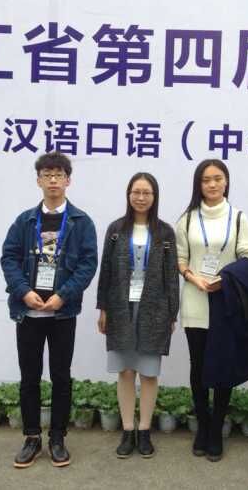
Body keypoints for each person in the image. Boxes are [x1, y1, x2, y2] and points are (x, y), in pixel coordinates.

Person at [0, 152, 98, 468]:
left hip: (61, 314)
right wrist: (24, 291)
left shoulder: (82, 222)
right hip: (28, 313)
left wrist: (63, 296)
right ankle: (31, 437)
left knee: (61, 377)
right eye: (47, 174)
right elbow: (9, 258)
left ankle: (57, 438)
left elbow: (88, 264)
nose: (53, 180)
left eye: (59, 175)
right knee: (29, 377)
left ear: (68, 180)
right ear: (38, 180)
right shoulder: (25, 221)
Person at [176, 159, 248, 461]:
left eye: (218, 178)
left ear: (226, 182)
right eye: (206, 179)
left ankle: (216, 428)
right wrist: (192, 277)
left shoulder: (238, 218)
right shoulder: (187, 219)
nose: (212, 184)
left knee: (223, 366)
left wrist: (224, 279)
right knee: (198, 366)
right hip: (195, 299)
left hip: (226, 302)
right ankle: (203, 425)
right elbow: (180, 259)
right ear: (198, 184)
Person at [96, 172, 179, 459]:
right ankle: (127, 429)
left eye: (147, 193)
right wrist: (103, 308)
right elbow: (106, 271)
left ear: (154, 197)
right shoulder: (116, 229)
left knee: (149, 372)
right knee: (125, 371)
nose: (141, 198)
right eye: (136, 192)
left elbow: (172, 276)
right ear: (128, 195)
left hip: (154, 309)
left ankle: (144, 430)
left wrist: (172, 313)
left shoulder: (165, 233)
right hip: (121, 307)